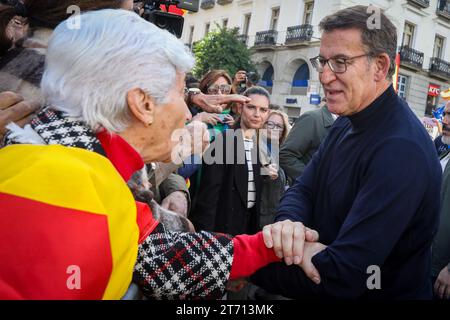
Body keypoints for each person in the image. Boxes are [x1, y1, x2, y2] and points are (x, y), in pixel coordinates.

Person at [0, 9, 285, 300]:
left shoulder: (94, 169)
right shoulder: (61, 189)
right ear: (143, 104)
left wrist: (265, 249)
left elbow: (158, 253)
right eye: (179, 93)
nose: (188, 112)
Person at [252, 5, 442, 299]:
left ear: (380, 66)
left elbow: (346, 274)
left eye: (340, 62)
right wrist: (289, 228)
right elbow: (303, 189)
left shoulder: (402, 149)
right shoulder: (346, 121)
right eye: (323, 62)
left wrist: (242, 266)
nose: (325, 77)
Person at [279, 104, 335, 184]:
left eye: (278, 126)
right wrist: (312, 179)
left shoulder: (348, 122)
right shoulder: (311, 118)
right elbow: (285, 155)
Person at [432, 101, 450, 300]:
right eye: (444, 114)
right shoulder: (444, 150)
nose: (444, 121)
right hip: (429, 263)